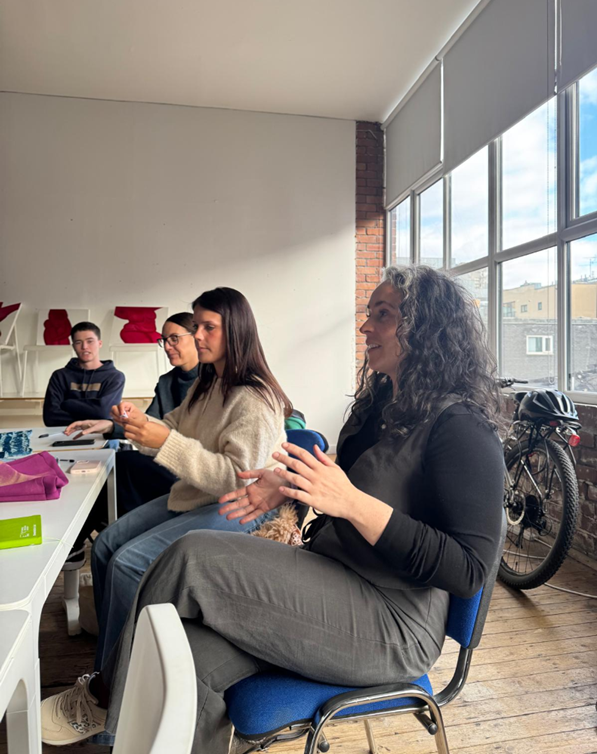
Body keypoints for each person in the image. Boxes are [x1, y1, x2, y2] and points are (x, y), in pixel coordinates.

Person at [41, 266, 505, 752]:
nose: (365, 326)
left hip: (395, 623)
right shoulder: (382, 404)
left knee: (190, 557)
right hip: (338, 574)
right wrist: (290, 485)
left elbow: (468, 569)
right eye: (369, 313)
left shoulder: (463, 427)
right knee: (185, 652)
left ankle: (104, 697)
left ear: (427, 328)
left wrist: (351, 503)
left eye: (383, 315)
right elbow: (353, 486)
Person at [80, 287, 291, 674]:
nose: (198, 336)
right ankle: (111, 653)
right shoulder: (207, 384)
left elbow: (235, 478)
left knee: (128, 564)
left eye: (209, 327)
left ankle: (115, 683)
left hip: (245, 506)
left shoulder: (255, 398)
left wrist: (164, 441)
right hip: (201, 495)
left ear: (236, 330)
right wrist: (139, 423)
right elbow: (173, 426)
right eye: (197, 327)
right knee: (106, 546)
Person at [65, 312, 201, 516]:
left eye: (174, 339)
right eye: (164, 340)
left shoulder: (215, 380)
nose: (167, 346)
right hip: (165, 460)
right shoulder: (166, 382)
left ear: (197, 337)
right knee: (113, 466)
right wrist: (110, 425)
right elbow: (148, 424)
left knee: (121, 465)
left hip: (193, 469)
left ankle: (100, 527)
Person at [42, 322, 125, 427]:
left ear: (100, 343)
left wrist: (67, 404)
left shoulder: (115, 377)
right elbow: (50, 418)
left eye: (90, 341)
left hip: (101, 435)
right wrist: (94, 418)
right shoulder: (60, 376)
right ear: (73, 346)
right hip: (64, 434)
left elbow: (104, 412)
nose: (84, 347)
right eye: (78, 342)